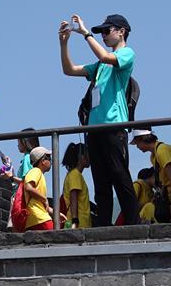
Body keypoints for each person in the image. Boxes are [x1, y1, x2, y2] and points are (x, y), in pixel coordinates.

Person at [59, 13, 139, 226]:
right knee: (100, 182)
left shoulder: (126, 54)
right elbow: (69, 70)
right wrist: (63, 44)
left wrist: (85, 33)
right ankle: (103, 225)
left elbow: (106, 57)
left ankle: (133, 222)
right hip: (94, 129)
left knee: (119, 176)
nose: (103, 35)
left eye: (107, 30)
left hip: (114, 126)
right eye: (100, 32)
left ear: (121, 32)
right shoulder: (100, 66)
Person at [130, 130, 171, 222]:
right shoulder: (154, 155)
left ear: (141, 139)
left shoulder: (161, 151)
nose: (137, 147)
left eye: (137, 143)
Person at [3, 129, 39, 230]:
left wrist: (10, 177)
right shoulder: (29, 158)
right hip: (22, 197)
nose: (17, 145)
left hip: (20, 198)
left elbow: (26, 181)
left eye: (19, 142)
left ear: (25, 142)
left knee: (16, 226)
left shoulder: (27, 158)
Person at [61, 142, 91, 229]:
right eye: (87, 154)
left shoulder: (74, 174)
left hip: (80, 224)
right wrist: (75, 221)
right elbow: (73, 197)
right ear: (81, 157)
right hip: (78, 225)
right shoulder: (75, 175)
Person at [24, 146, 54, 231]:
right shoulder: (36, 171)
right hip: (39, 218)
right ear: (43, 160)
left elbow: (41, 204)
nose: (51, 161)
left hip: (35, 218)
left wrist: (56, 213)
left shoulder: (39, 174)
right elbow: (28, 188)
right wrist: (44, 199)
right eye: (49, 158)